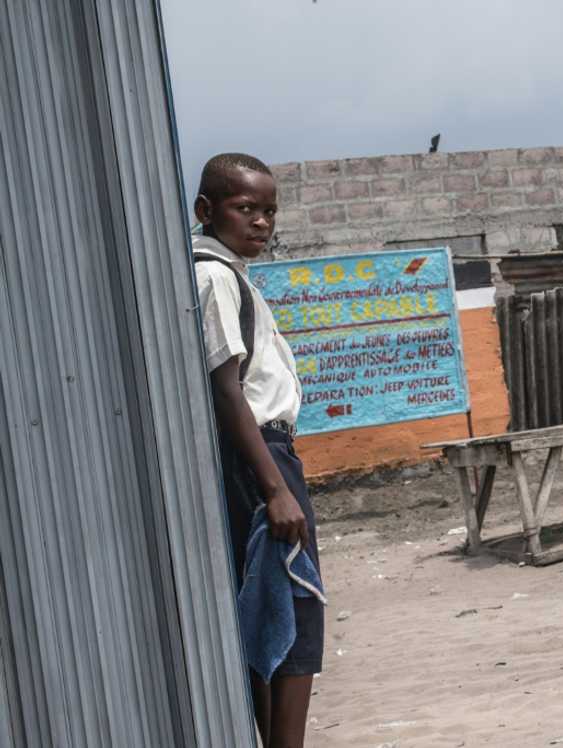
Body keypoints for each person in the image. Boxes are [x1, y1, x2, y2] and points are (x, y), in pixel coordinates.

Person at [192, 152, 323, 748]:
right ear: (206, 210)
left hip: (268, 457)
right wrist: (275, 488)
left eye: (269, 211)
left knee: (276, 611)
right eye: (246, 208)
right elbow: (227, 391)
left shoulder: (233, 276)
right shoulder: (213, 276)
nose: (262, 222)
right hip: (260, 460)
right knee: (293, 615)